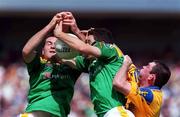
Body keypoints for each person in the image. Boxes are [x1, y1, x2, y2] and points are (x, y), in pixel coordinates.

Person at [53, 11, 134, 117]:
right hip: (104, 114)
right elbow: (64, 58)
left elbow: (83, 47)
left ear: (101, 43)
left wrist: (59, 34)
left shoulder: (111, 49)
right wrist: (74, 30)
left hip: (117, 112)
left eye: (89, 41)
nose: (85, 43)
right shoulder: (92, 63)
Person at [20, 14, 81, 117]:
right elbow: (26, 51)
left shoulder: (72, 67)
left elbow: (89, 53)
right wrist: (50, 25)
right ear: (43, 51)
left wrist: (76, 30)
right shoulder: (39, 64)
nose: (53, 46)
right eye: (49, 44)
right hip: (35, 113)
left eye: (57, 44)